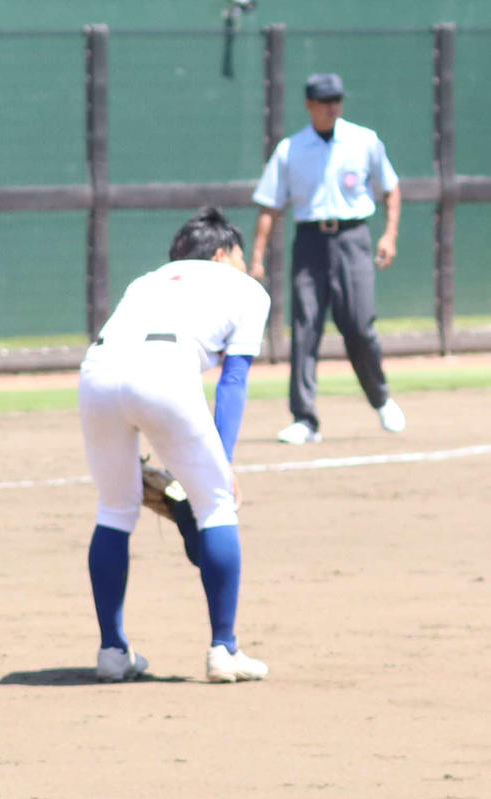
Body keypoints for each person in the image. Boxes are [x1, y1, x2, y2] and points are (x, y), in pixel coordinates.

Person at [78, 207, 271, 684]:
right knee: (217, 505)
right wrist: (223, 463)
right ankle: (224, 649)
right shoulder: (246, 288)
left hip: (96, 372)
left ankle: (112, 651)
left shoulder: (146, 281)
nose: (247, 265)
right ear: (222, 254)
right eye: (241, 255)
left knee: (114, 510)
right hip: (163, 374)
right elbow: (233, 380)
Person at [250, 72, 405, 445]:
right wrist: (257, 256)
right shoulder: (290, 149)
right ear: (309, 105)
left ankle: (380, 397)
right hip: (310, 241)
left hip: (354, 237)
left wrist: (390, 235)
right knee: (305, 328)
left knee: (359, 326)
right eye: (324, 101)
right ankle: (304, 419)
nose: (332, 107)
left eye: (337, 100)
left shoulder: (364, 141)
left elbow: (391, 187)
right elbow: (270, 206)